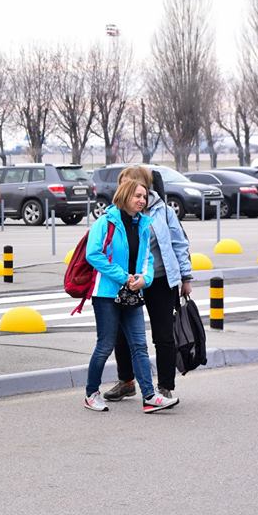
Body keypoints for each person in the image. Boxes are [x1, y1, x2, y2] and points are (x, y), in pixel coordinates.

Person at [83, 178, 179, 414]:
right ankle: (91, 393)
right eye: (137, 196)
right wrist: (123, 276)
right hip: (106, 294)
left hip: (133, 293)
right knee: (105, 345)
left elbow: (147, 258)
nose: (142, 200)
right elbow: (93, 254)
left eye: (144, 196)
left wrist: (145, 279)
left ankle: (149, 397)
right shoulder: (105, 222)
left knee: (139, 346)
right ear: (125, 196)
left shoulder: (143, 224)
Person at [103, 166, 192, 403]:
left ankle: (165, 386)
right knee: (122, 334)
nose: (124, 189)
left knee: (163, 334)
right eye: (122, 184)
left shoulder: (163, 211)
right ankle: (126, 381)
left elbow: (179, 243)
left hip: (160, 279)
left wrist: (186, 277)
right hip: (127, 280)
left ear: (142, 185)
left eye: (128, 184)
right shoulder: (115, 212)